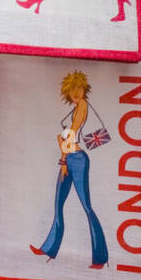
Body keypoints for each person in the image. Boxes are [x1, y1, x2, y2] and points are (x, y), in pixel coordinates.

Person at [30, 70, 108, 269]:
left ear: (84, 89)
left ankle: (100, 257)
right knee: (58, 205)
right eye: (72, 90)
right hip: (70, 157)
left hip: (76, 159)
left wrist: (64, 159)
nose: (76, 93)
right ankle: (49, 249)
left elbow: (71, 134)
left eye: (79, 89)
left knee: (86, 206)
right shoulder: (77, 106)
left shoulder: (82, 105)